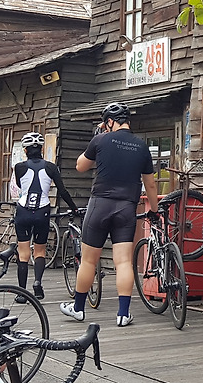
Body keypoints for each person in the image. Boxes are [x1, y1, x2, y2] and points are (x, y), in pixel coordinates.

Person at [64, 103, 158, 327]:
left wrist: (97, 138)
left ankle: (78, 308)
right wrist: (154, 209)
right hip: (126, 207)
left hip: (100, 204)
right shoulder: (141, 146)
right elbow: (150, 185)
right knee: (124, 262)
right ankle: (123, 314)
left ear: (109, 122)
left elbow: (80, 166)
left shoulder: (100, 140)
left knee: (88, 260)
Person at [12, 132, 79, 301]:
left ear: (25, 150)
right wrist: (74, 208)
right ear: (42, 149)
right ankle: (37, 283)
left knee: (23, 253)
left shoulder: (19, 167)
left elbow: (20, 185)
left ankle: (22, 293)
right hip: (42, 210)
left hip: (23, 210)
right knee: (40, 250)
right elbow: (62, 190)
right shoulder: (51, 167)